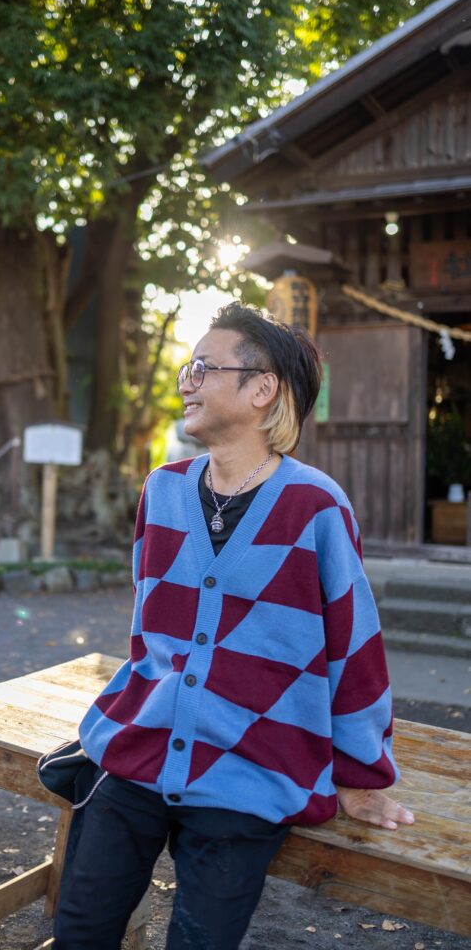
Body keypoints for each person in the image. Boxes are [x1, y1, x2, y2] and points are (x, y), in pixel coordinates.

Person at [53, 303, 414, 950]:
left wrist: (362, 777)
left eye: (201, 367)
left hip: (252, 769)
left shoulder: (316, 506)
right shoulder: (162, 490)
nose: (185, 381)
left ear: (261, 389)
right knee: (79, 931)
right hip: (140, 751)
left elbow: (354, 650)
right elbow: (148, 635)